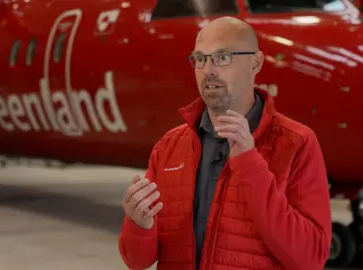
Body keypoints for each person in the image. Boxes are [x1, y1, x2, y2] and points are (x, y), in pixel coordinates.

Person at [118, 16, 332, 270]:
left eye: (223, 58)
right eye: (200, 59)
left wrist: (250, 165)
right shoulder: (170, 147)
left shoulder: (296, 143)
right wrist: (140, 225)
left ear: (256, 62)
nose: (209, 70)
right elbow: (136, 261)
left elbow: (311, 258)